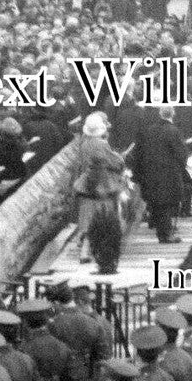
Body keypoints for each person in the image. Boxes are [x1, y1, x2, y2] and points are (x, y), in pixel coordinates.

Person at [74, 112, 126, 266]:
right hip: (103, 186)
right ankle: (103, 251)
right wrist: (120, 157)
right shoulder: (102, 144)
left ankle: (84, 252)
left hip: (86, 184)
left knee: (86, 219)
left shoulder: (83, 144)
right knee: (106, 216)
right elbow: (115, 163)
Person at [132, 106, 189, 245]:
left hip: (150, 172)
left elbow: (139, 152)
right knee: (166, 205)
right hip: (168, 174)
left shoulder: (149, 130)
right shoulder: (174, 131)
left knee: (156, 204)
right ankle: (165, 234)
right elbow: (181, 154)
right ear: (172, 114)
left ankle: (161, 231)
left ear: (160, 114)